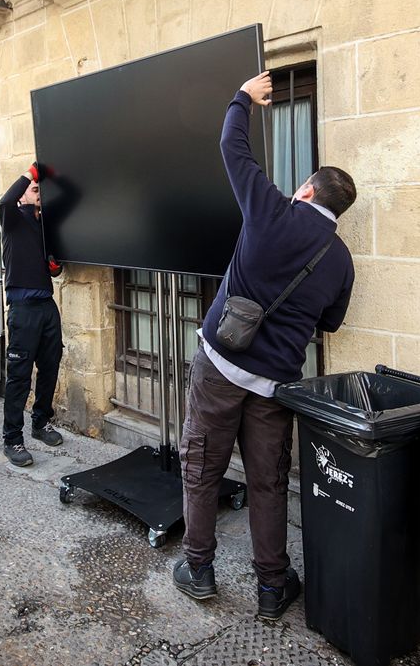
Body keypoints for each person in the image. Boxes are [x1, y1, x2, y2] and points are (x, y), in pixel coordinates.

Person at [172, 70, 356, 622]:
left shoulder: (271, 210)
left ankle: (199, 570)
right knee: (269, 480)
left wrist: (243, 99)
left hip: (221, 365)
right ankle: (273, 587)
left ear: (306, 189)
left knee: (202, 465)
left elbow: (232, 146)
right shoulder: (342, 260)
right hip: (277, 384)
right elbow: (333, 322)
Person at [0, 162, 66, 467]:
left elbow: (73, 197)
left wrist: (55, 266)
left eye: (41, 191)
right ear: (23, 197)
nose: (39, 194)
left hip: (47, 307)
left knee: (50, 367)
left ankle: (40, 423)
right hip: (23, 310)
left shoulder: (45, 227)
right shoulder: (12, 219)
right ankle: (12, 439)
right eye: (35, 190)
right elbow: (4, 200)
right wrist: (32, 173)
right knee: (19, 377)